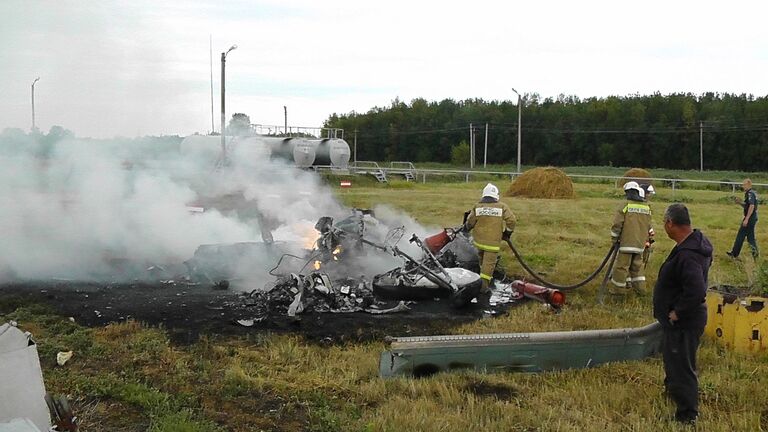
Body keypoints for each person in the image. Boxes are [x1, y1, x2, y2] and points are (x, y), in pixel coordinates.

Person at [653, 203, 712, 424]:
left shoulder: (688, 255)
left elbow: (696, 290)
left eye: (664, 223)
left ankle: (688, 415)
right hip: (683, 320)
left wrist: (677, 313)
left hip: (685, 321)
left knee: (682, 366)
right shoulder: (693, 244)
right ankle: (673, 393)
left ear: (670, 223)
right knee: (674, 361)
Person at [464, 183, 516, 308]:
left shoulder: (478, 206)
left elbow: (470, 222)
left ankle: (480, 280)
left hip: (479, 242)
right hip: (492, 244)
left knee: (482, 262)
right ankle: (483, 288)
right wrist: (507, 232)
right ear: (496, 195)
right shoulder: (502, 206)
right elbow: (512, 220)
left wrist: (466, 228)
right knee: (488, 267)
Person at [610, 181, 654, 295]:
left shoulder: (625, 205)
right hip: (640, 245)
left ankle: (618, 291)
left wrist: (615, 239)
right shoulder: (646, 207)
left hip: (626, 243)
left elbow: (617, 224)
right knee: (637, 268)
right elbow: (648, 225)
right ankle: (641, 291)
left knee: (622, 267)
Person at [726, 178, 759, 259]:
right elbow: (747, 205)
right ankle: (755, 255)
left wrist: (747, 219)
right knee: (750, 237)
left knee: (741, 236)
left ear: (748, 185)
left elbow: (751, 206)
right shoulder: (751, 193)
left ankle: (734, 254)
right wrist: (740, 202)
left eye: (744, 184)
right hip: (752, 217)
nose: (742, 186)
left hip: (750, 217)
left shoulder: (750, 193)